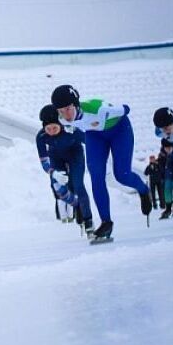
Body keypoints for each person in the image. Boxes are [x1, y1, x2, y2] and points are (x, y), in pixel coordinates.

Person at [51, 85, 151, 241]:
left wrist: (118, 109)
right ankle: (106, 222)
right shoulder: (61, 119)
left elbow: (126, 109)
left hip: (119, 129)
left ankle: (144, 189)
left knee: (121, 175)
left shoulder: (97, 109)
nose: (66, 114)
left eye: (68, 109)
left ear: (76, 104)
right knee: (96, 176)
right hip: (95, 135)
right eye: (61, 111)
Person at [35, 104, 94, 236]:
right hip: (56, 156)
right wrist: (53, 173)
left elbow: (91, 143)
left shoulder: (71, 129)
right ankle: (77, 205)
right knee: (59, 188)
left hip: (75, 154)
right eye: (48, 129)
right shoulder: (41, 136)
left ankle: (88, 220)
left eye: (54, 128)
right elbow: (44, 162)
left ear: (60, 124)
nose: (51, 132)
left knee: (78, 185)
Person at [159, 139, 173, 219]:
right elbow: (161, 166)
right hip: (167, 176)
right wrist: (162, 177)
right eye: (166, 148)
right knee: (167, 191)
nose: (168, 150)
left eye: (170, 148)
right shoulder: (162, 154)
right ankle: (168, 208)